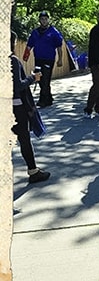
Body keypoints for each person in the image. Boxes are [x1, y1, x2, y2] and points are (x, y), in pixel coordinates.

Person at [11, 31, 50, 184]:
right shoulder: (12, 60)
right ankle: (33, 171)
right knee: (24, 138)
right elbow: (17, 86)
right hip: (16, 107)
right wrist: (33, 77)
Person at [22, 10, 63, 108]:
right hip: (38, 59)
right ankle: (49, 98)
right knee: (39, 78)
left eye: (45, 19)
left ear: (48, 20)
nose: (44, 21)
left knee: (45, 79)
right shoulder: (35, 32)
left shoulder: (53, 32)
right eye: (42, 19)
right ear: (39, 20)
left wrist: (60, 59)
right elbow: (29, 45)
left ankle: (43, 100)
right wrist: (26, 56)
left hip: (49, 59)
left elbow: (59, 46)